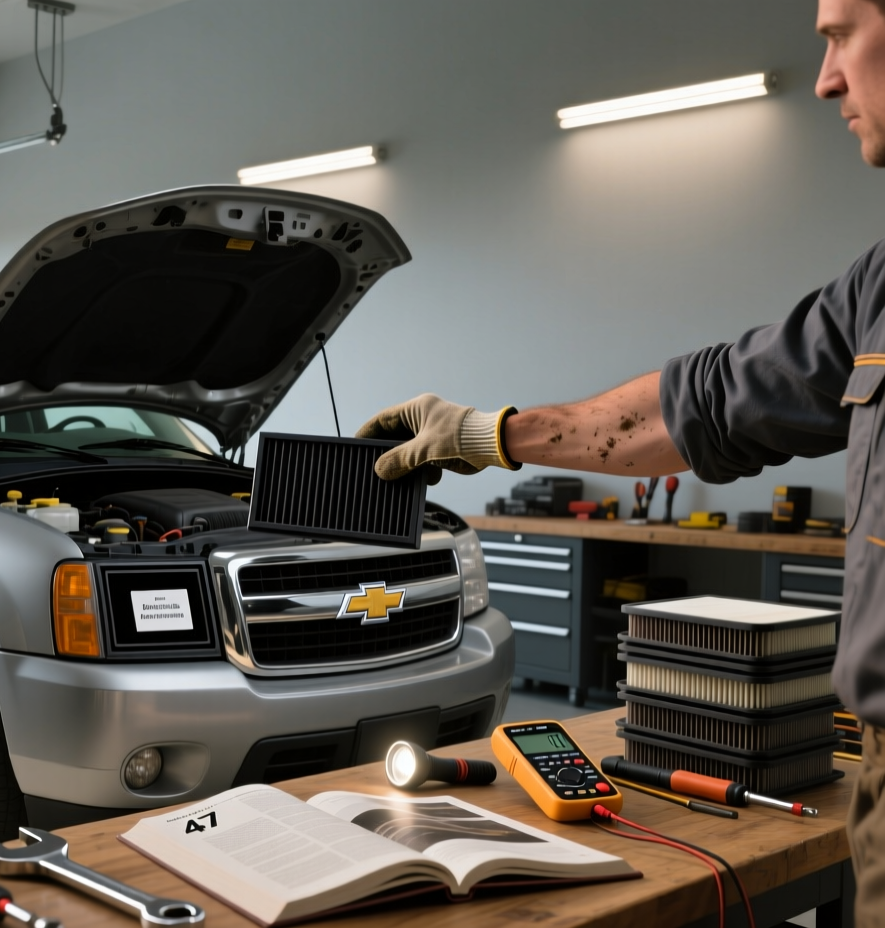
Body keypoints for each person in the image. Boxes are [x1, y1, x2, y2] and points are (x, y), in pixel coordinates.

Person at [356, 0, 885, 920]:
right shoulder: (880, 285)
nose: (828, 77)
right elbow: (710, 402)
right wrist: (483, 432)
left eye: (840, 34)